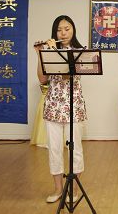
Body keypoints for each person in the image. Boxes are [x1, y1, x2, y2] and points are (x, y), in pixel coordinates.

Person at [34, 15, 87, 203]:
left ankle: (74, 190)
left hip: (74, 106)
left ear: (73, 30)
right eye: (59, 30)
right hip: (53, 106)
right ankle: (57, 190)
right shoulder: (49, 51)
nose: (63, 33)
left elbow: (67, 76)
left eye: (67, 28)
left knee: (75, 149)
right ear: (54, 32)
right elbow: (42, 79)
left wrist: (54, 52)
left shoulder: (81, 51)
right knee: (54, 149)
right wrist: (41, 54)